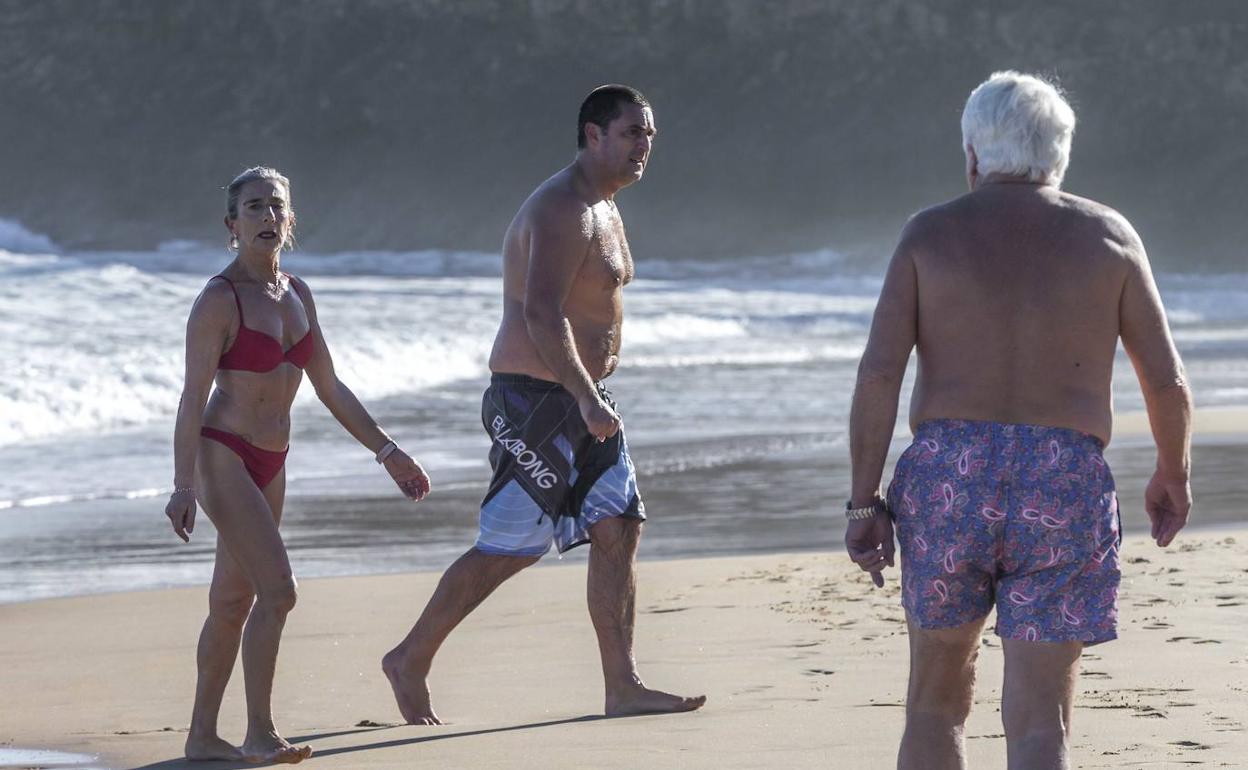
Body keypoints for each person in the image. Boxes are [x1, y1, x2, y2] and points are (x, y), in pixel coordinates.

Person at [844, 71, 1192, 769]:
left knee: (935, 705)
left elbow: (880, 373)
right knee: (1040, 724)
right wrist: (1171, 472)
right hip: (1063, 482)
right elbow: (1166, 379)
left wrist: (863, 503)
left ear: (973, 153)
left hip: (948, 477)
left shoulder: (929, 234)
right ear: (1059, 153)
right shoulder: (1109, 236)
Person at [383, 85, 706, 724]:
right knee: (510, 547)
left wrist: (589, 394)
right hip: (537, 401)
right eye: (631, 133)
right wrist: (586, 396)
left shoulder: (605, 207)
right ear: (592, 134)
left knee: (619, 526)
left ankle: (623, 685)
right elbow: (541, 312)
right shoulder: (565, 207)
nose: (645, 146)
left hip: (580, 395)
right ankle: (409, 658)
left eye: (650, 134)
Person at [165, 166, 432, 763]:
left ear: (290, 219)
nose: (267, 216)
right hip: (223, 453)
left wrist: (388, 452)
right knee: (278, 592)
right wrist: (182, 485)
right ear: (231, 225)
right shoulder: (218, 299)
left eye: (276, 207)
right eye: (253, 208)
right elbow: (191, 397)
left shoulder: (299, 294)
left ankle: (202, 736)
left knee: (232, 602)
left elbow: (331, 387)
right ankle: (260, 733)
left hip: (273, 458)